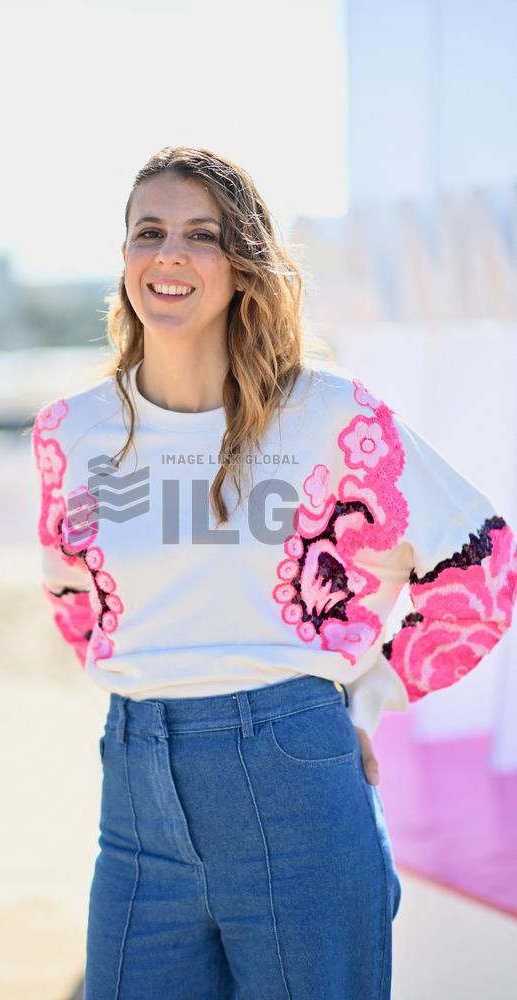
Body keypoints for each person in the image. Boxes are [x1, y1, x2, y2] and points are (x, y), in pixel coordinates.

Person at [31, 146, 517, 1000]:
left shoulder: (331, 417)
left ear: (243, 265)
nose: (169, 255)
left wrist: (367, 695)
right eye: (149, 231)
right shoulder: (70, 433)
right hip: (135, 794)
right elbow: (74, 597)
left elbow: (484, 568)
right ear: (124, 259)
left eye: (201, 235)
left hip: (298, 790)